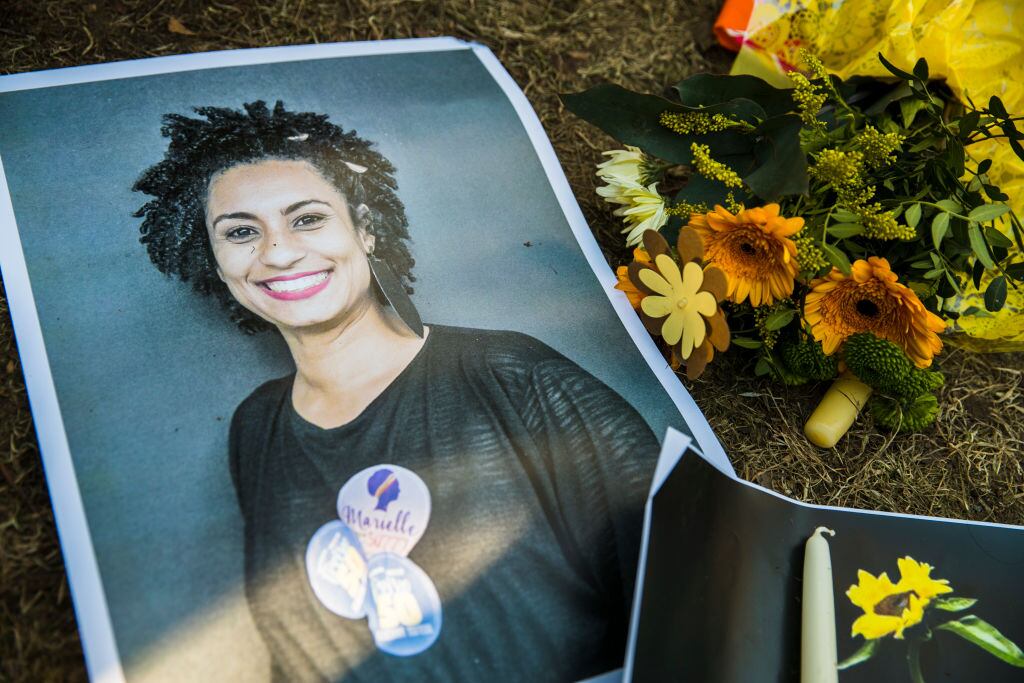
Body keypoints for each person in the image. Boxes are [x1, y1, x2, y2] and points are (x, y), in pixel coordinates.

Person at [134, 100, 660, 682]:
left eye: (307, 219)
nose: (278, 252)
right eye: (240, 232)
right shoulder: (255, 428)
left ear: (364, 228)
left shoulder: (512, 375)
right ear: (214, 260)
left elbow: (683, 590)